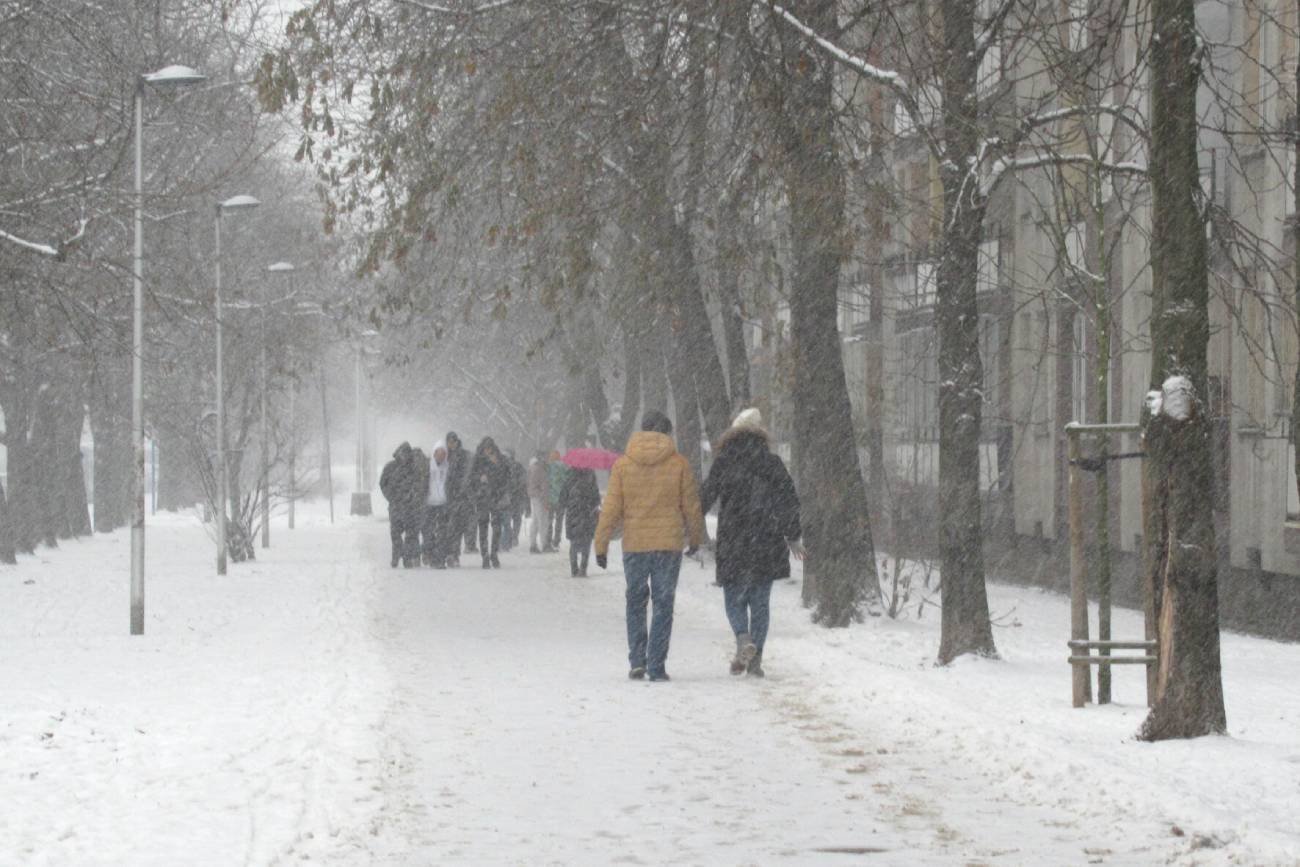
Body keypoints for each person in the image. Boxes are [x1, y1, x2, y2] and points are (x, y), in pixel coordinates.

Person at [594, 411, 705, 682]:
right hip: (668, 545)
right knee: (663, 604)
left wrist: (601, 544)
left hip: (635, 545)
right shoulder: (679, 464)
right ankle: (656, 665)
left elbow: (611, 508)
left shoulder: (623, 465)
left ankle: (637, 661)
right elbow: (691, 507)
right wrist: (695, 539)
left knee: (635, 602)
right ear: (667, 433)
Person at [699, 408, 803, 678]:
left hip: (733, 538)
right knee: (760, 603)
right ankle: (755, 662)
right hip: (766, 539)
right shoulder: (772, 463)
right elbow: (789, 501)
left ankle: (743, 638)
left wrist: (689, 525)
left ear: (733, 433)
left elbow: (705, 497)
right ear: (761, 434)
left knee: (733, 597)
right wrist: (792, 535)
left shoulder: (724, 461)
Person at [379, 442, 423, 568]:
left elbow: (419, 484)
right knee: (395, 533)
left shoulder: (414, 468)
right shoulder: (390, 467)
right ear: (398, 453)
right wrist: (390, 497)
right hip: (395, 506)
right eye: (402, 453)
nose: (404, 456)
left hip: (410, 507)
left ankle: (407, 558)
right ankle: (396, 555)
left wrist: (413, 496)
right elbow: (383, 483)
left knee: (410, 534)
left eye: (407, 453)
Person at [469, 436, 511, 568]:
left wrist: (497, 466)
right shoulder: (477, 460)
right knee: (483, 527)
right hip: (482, 498)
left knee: (497, 527)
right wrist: (479, 478)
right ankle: (485, 555)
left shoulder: (500, 459)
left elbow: (507, 477)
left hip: (496, 497)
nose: (488, 451)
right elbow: (471, 478)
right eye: (486, 449)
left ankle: (494, 553)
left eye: (490, 448)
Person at [558, 467, 600, 577]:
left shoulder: (569, 476)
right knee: (586, 542)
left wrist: (568, 504)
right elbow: (596, 497)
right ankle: (583, 568)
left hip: (573, 514)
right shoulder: (590, 476)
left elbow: (562, 498)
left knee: (574, 542)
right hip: (587, 514)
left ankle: (574, 569)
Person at [423, 441, 453, 568]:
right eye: (438, 453)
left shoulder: (448, 468)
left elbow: (452, 484)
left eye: (443, 454)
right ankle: (429, 553)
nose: (441, 456)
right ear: (434, 453)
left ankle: (439, 559)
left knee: (442, 532)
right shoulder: (427, 466)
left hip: (443, 503)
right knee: (429, 531)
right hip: (429, 503)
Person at [444, 431, 471, 565]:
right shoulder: (444, 455)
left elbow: (467, 474)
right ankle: (450, 553)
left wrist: (463, 489)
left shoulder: (464, 455)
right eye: (449, 442)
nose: (451, 444)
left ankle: (454, 554)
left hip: (460, 496)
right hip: (447, 496)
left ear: (456, 441)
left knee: (457, 527)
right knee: (448, 527)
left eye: (453, 441)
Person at [527, 450, 551, 554]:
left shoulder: (536, 468)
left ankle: (533, 545)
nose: (546, 458)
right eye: (544, 456)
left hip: (536, 497)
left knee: (536, 521)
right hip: (539, 497)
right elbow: (537, 485)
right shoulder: (538, 469)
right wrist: (543, 497)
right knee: (542, 521)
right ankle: (544, 545)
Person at [546, 450, 569, 550]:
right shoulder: (564, 467)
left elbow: (546, 482)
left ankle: (548, 539)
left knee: (549, 520)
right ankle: (556, 541)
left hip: (550, 498)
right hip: (561, 498)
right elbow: (566, 481)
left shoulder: (548, 467)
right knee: (559, 521)